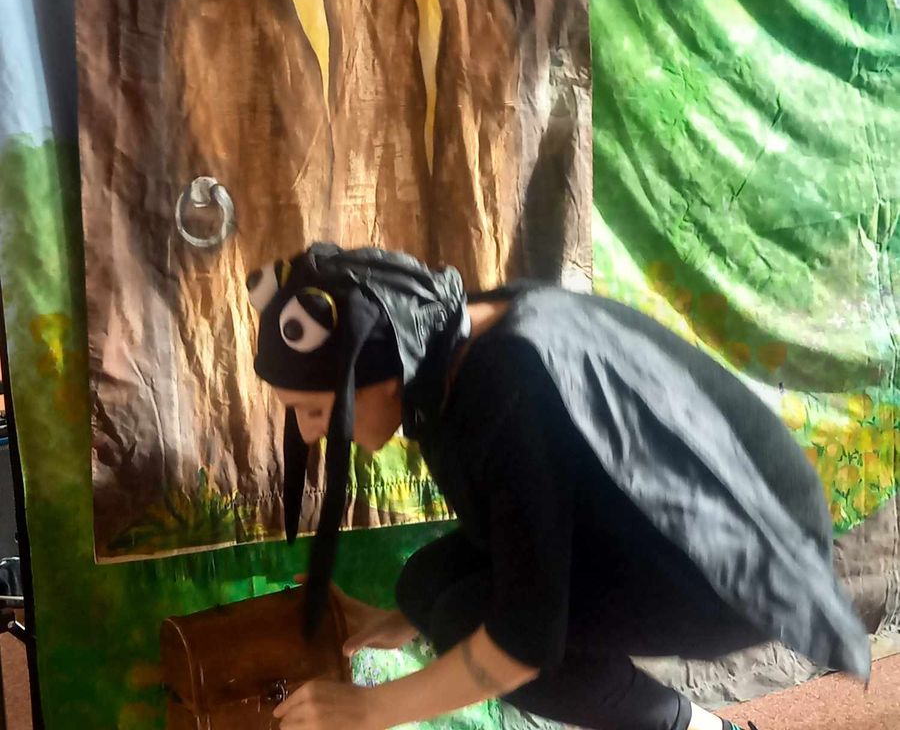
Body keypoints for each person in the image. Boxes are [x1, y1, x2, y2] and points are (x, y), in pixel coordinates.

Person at [246, 244, 870, 730]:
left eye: (313, 409)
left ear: (379, 375)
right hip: (660, 514)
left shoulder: (508, 385)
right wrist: (399, 618)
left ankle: (695, 727)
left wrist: (370, 709)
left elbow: (521, 643)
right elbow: (514, 517)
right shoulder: (451, 339)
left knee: (471, 622)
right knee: (424, 588)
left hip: (742, 563)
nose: (310, 431)